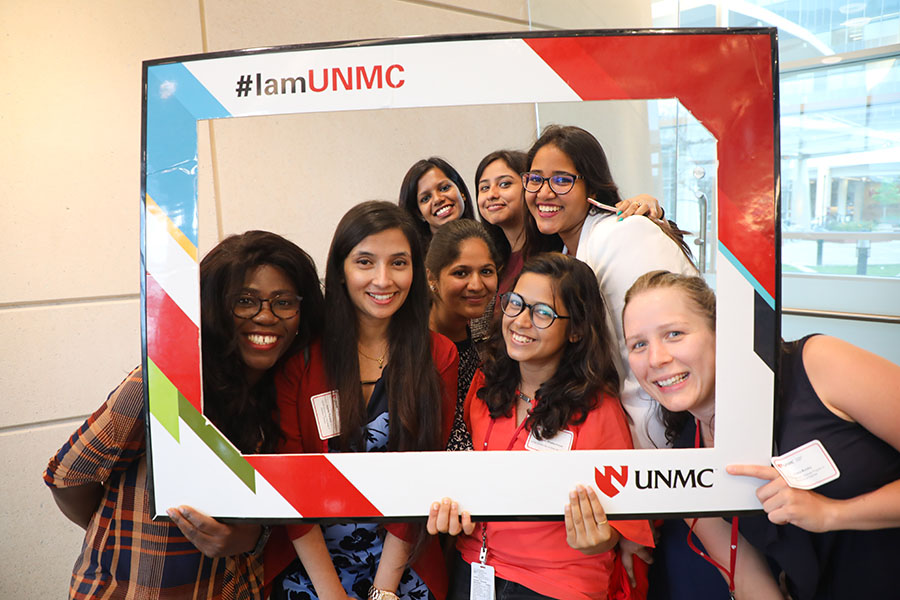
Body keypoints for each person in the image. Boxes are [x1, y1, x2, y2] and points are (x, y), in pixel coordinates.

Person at [44, 231, 326, 599]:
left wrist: (246, 538)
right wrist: (120, 539)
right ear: (211, 306)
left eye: (284, 302)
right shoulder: (162, 384)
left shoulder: (288, 391)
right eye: (245, 301)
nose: (267, 316)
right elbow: (67, 478)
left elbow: (274, 505)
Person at [622, 270, 900, 599]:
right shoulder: (689, 456)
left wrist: (831, 513)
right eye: (639, 344)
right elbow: (748, 580)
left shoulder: (816, 365)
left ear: (719, 331)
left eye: (674, 334)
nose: (657, 359)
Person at [428, 253, 653, 600]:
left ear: (576, 330)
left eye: (543, 313)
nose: (520, 321)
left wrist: (602, 537)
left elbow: (624, 524)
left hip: (556, 583)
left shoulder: (598, 409)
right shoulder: (485, 384)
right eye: (515, 304)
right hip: (473, 567)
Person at [275, 201, 458, 600]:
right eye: (364, 262)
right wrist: (331, 593)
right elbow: (287, 486)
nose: (383, 279)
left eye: (398, 263)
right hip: (312, 562)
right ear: (340, 271)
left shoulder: (439, 356)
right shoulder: (300, 360)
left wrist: (383, 590)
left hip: (400, 562)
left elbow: (423, 475)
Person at [523, 125, 696, 450]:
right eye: (535, 179)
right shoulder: (562, 254)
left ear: (591, 185)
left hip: (667, 436)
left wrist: (638, 461)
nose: (544, 192)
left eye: (562, 179)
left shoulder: (622, 235)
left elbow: (650, 357)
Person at [475, 149, 662, 296]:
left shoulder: (563, 242)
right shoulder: (493, 258)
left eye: (505, 184)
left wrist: (648, 206)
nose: (491, 194)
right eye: (483, 187)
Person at [426, 219, 500, 451]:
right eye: (461, 273)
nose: (477, 285)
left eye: (486, 271)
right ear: (432, 278)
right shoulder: (412, 348)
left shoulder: (498, 336)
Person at [398, 157, 477, 248]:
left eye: (444, 188)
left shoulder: (489, 242)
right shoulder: (414, 259)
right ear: (419, 213)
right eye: (426, 198)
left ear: (461, 191)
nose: (437, 199)